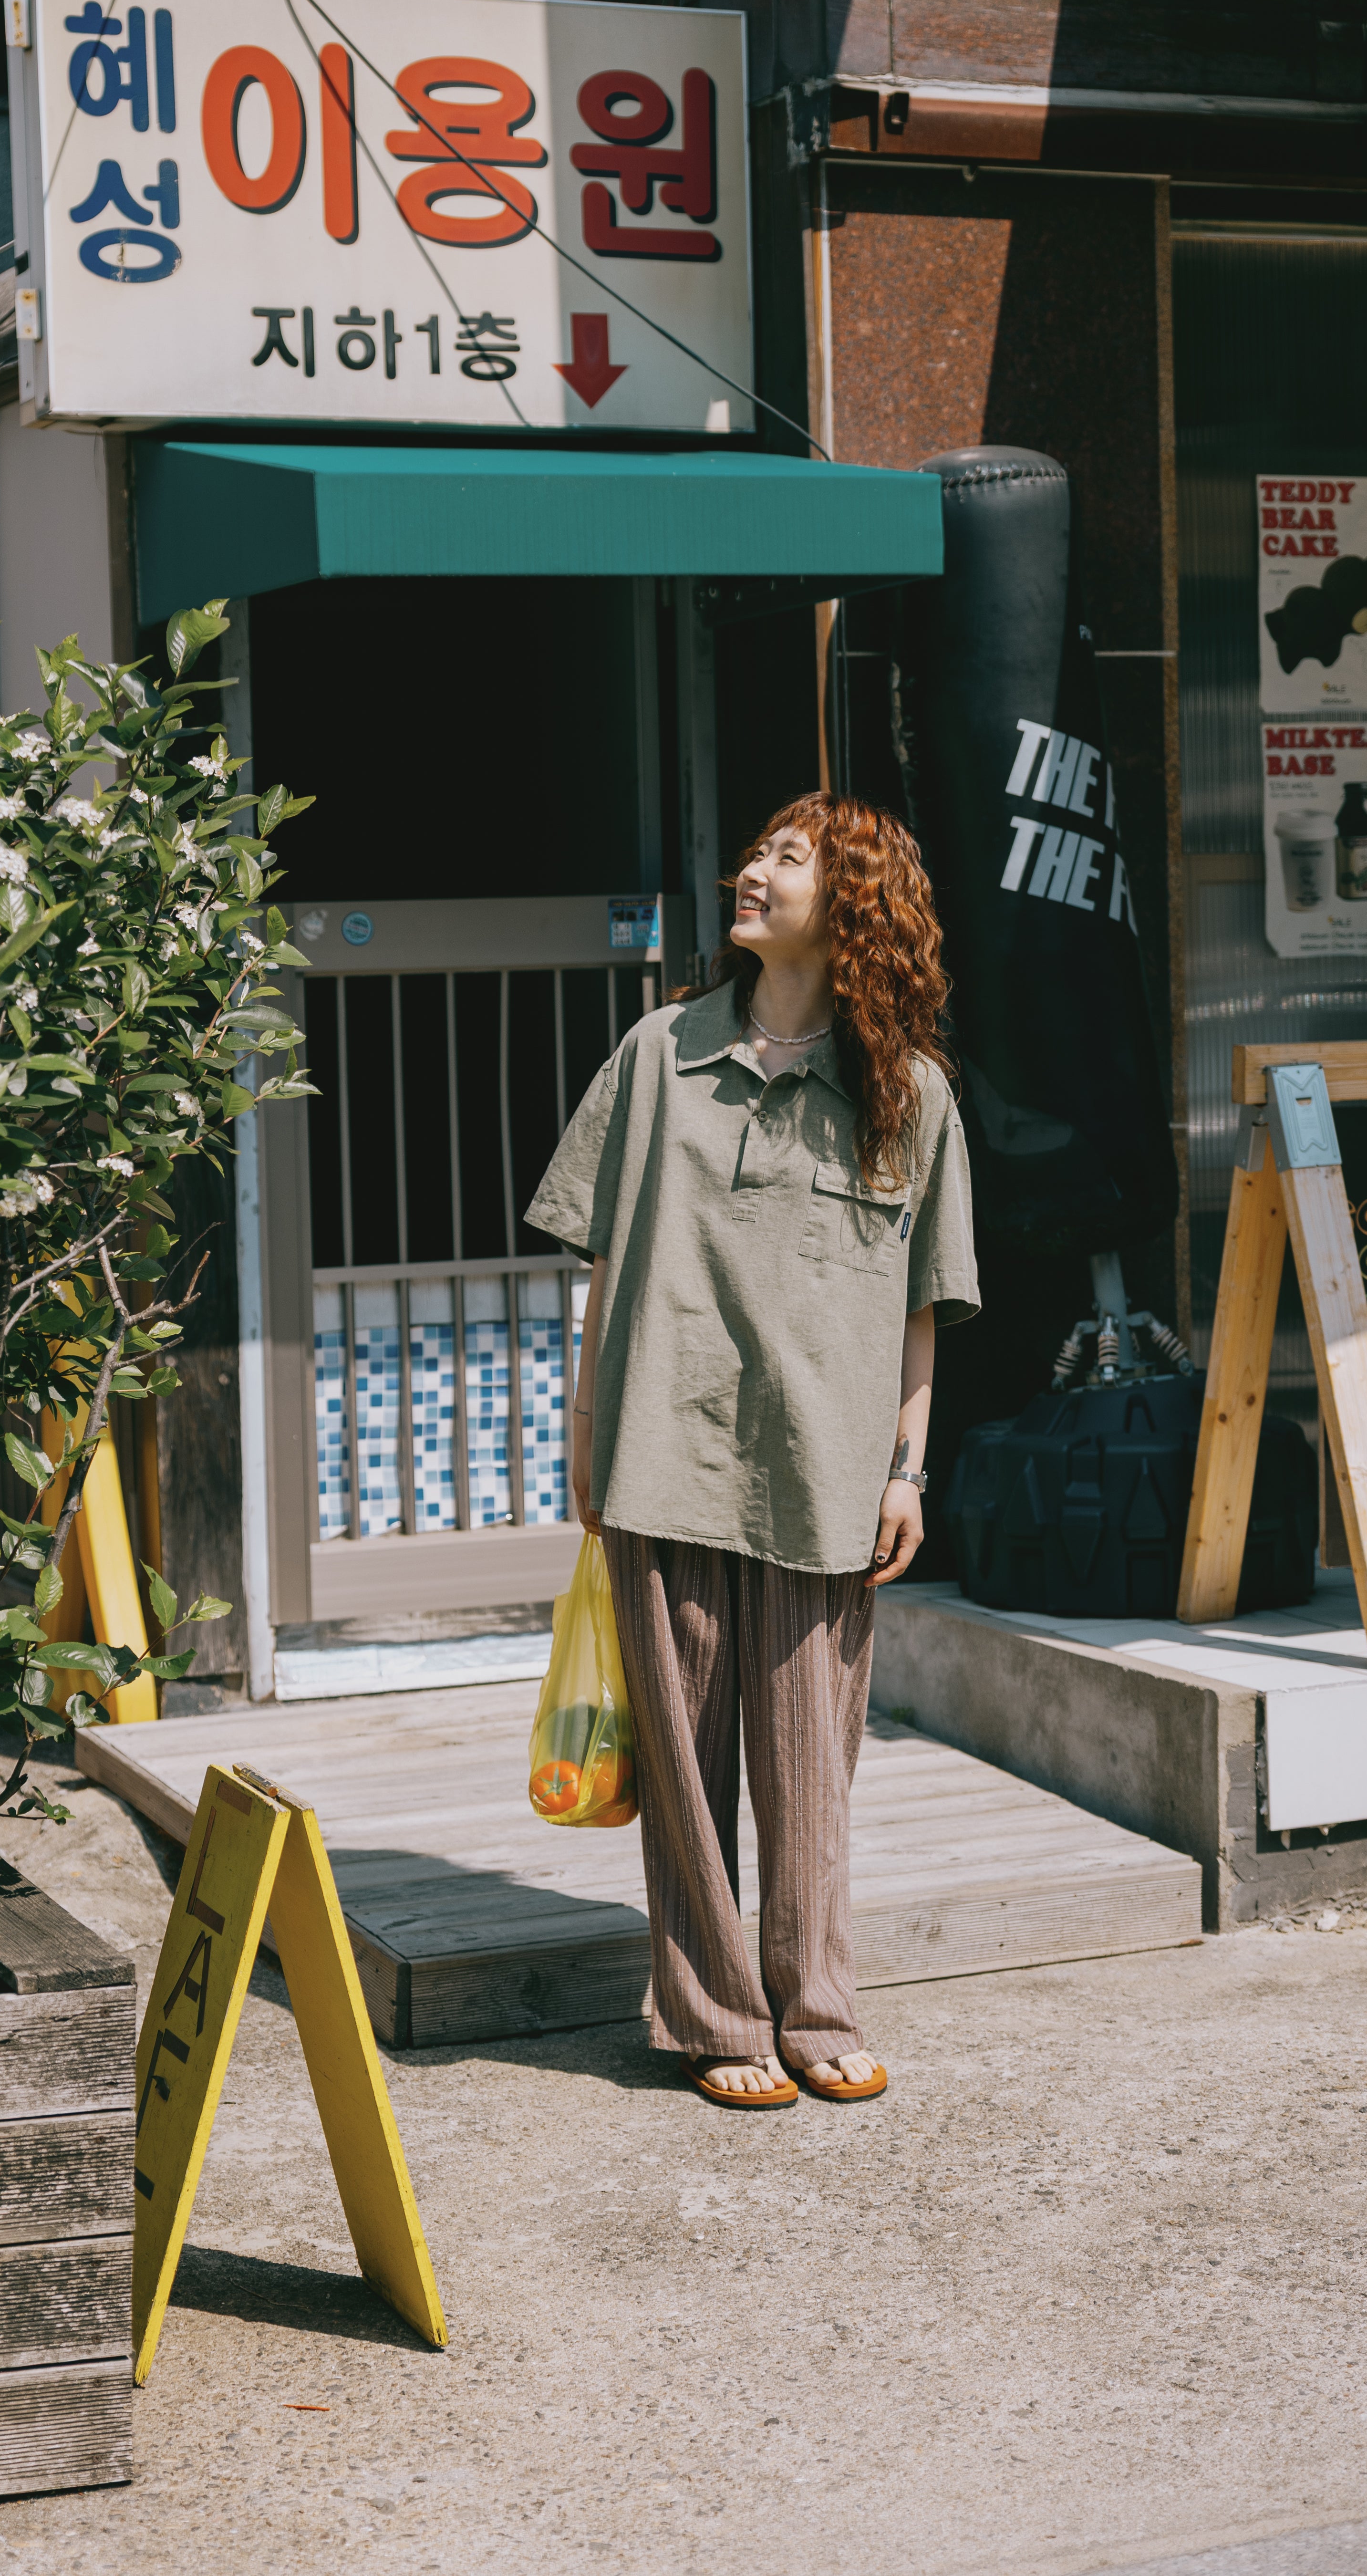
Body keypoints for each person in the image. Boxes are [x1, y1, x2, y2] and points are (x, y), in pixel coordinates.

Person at [525, 793, 978, 2109]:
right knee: (682, 1764)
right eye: (761, 852)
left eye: (788, 859)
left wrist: (908, 1469)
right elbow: (607, 1263)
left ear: (855, 911)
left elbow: (920, 1308)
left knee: (807, 1770)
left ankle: (816, 2006)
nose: (752, 871)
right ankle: (719, 2019)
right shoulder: (660, 1052)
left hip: (830, 1471)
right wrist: (586, 1427)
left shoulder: (914, 1095)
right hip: (667, 1444)